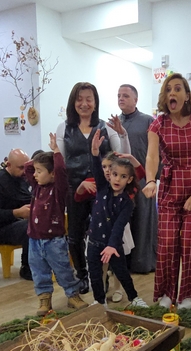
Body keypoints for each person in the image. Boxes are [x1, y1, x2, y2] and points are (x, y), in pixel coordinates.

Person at [143, 74, 191, 310]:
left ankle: (186, 294)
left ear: (187, 95)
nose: (172, 93)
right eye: (168, 90)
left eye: (177, 89)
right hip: (169, 187)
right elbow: (152, 156)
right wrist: (150, 180)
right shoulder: (158, 124)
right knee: (167, 245)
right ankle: (167, 292)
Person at [56, 82, 130, 294]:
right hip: (75, 190)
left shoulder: (106, 127)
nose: (84, 103)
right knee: (75, 236)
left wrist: (123, 134)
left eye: (89, 99)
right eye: (79, 99)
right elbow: (60, 163)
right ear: (73, 102)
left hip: (103, 192)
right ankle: (82, 276)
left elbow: (123, 157)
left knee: (103, 235)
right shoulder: (64, 128)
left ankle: (102, 275)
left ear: (95, 102)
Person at [24, 135, 87, 316]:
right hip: (35, 240)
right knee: (39, 272)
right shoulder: (36, 187)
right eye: (36, 171)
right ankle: (44, 299)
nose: (35, 174)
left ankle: (73, 295)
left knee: (63, 270)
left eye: (39, 171)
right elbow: (27, 168)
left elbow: (60, 170)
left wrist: (56, 152)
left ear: (52, 174)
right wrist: (39, 160)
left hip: (54, 242)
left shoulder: (59, 189)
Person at [85, 129, 147, 309]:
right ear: (110, 174)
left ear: (129, 179)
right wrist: (95, 152)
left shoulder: (127, 202)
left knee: (121, 273)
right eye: (114, 174)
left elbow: (119, 226)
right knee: (95, 274)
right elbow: (97, 168)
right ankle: (99, 301)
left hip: (113, 244)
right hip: (94, 242)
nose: (117, 179)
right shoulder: (102, 187)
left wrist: (112, 246)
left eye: (123, 176)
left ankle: (134, 298)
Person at [111, 84, 157, 274]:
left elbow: (156, 152)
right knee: (122, 221)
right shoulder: (113, 123)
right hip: (120, 183)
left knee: (142, 221)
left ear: (135, 100)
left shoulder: (148, 121)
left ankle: (143, 263)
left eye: (125, 96)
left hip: (143, 179)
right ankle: (122, 264)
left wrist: (152, 178)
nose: (121, 99)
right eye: (119, 95)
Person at [0, 149, 32, 280]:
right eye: (21, 168)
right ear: (9, 165)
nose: (24, 171)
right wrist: (17, 212)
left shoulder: (24, 179)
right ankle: (27, 267)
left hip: (20, 222)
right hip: (2, 228)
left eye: (27, 167)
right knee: (30, 226)